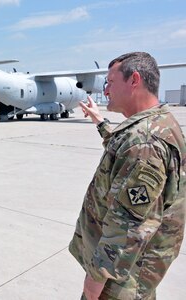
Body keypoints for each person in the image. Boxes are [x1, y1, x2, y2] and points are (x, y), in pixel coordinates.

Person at [69, 52, 186, 300]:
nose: (106, 90)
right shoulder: (155, 124)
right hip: (130, 270)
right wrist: (101, 123)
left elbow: (128, 225)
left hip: (120, 279)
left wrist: (95, 281)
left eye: (110, 82)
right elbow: (123, 154)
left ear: (134, 80)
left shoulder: (144, 142)